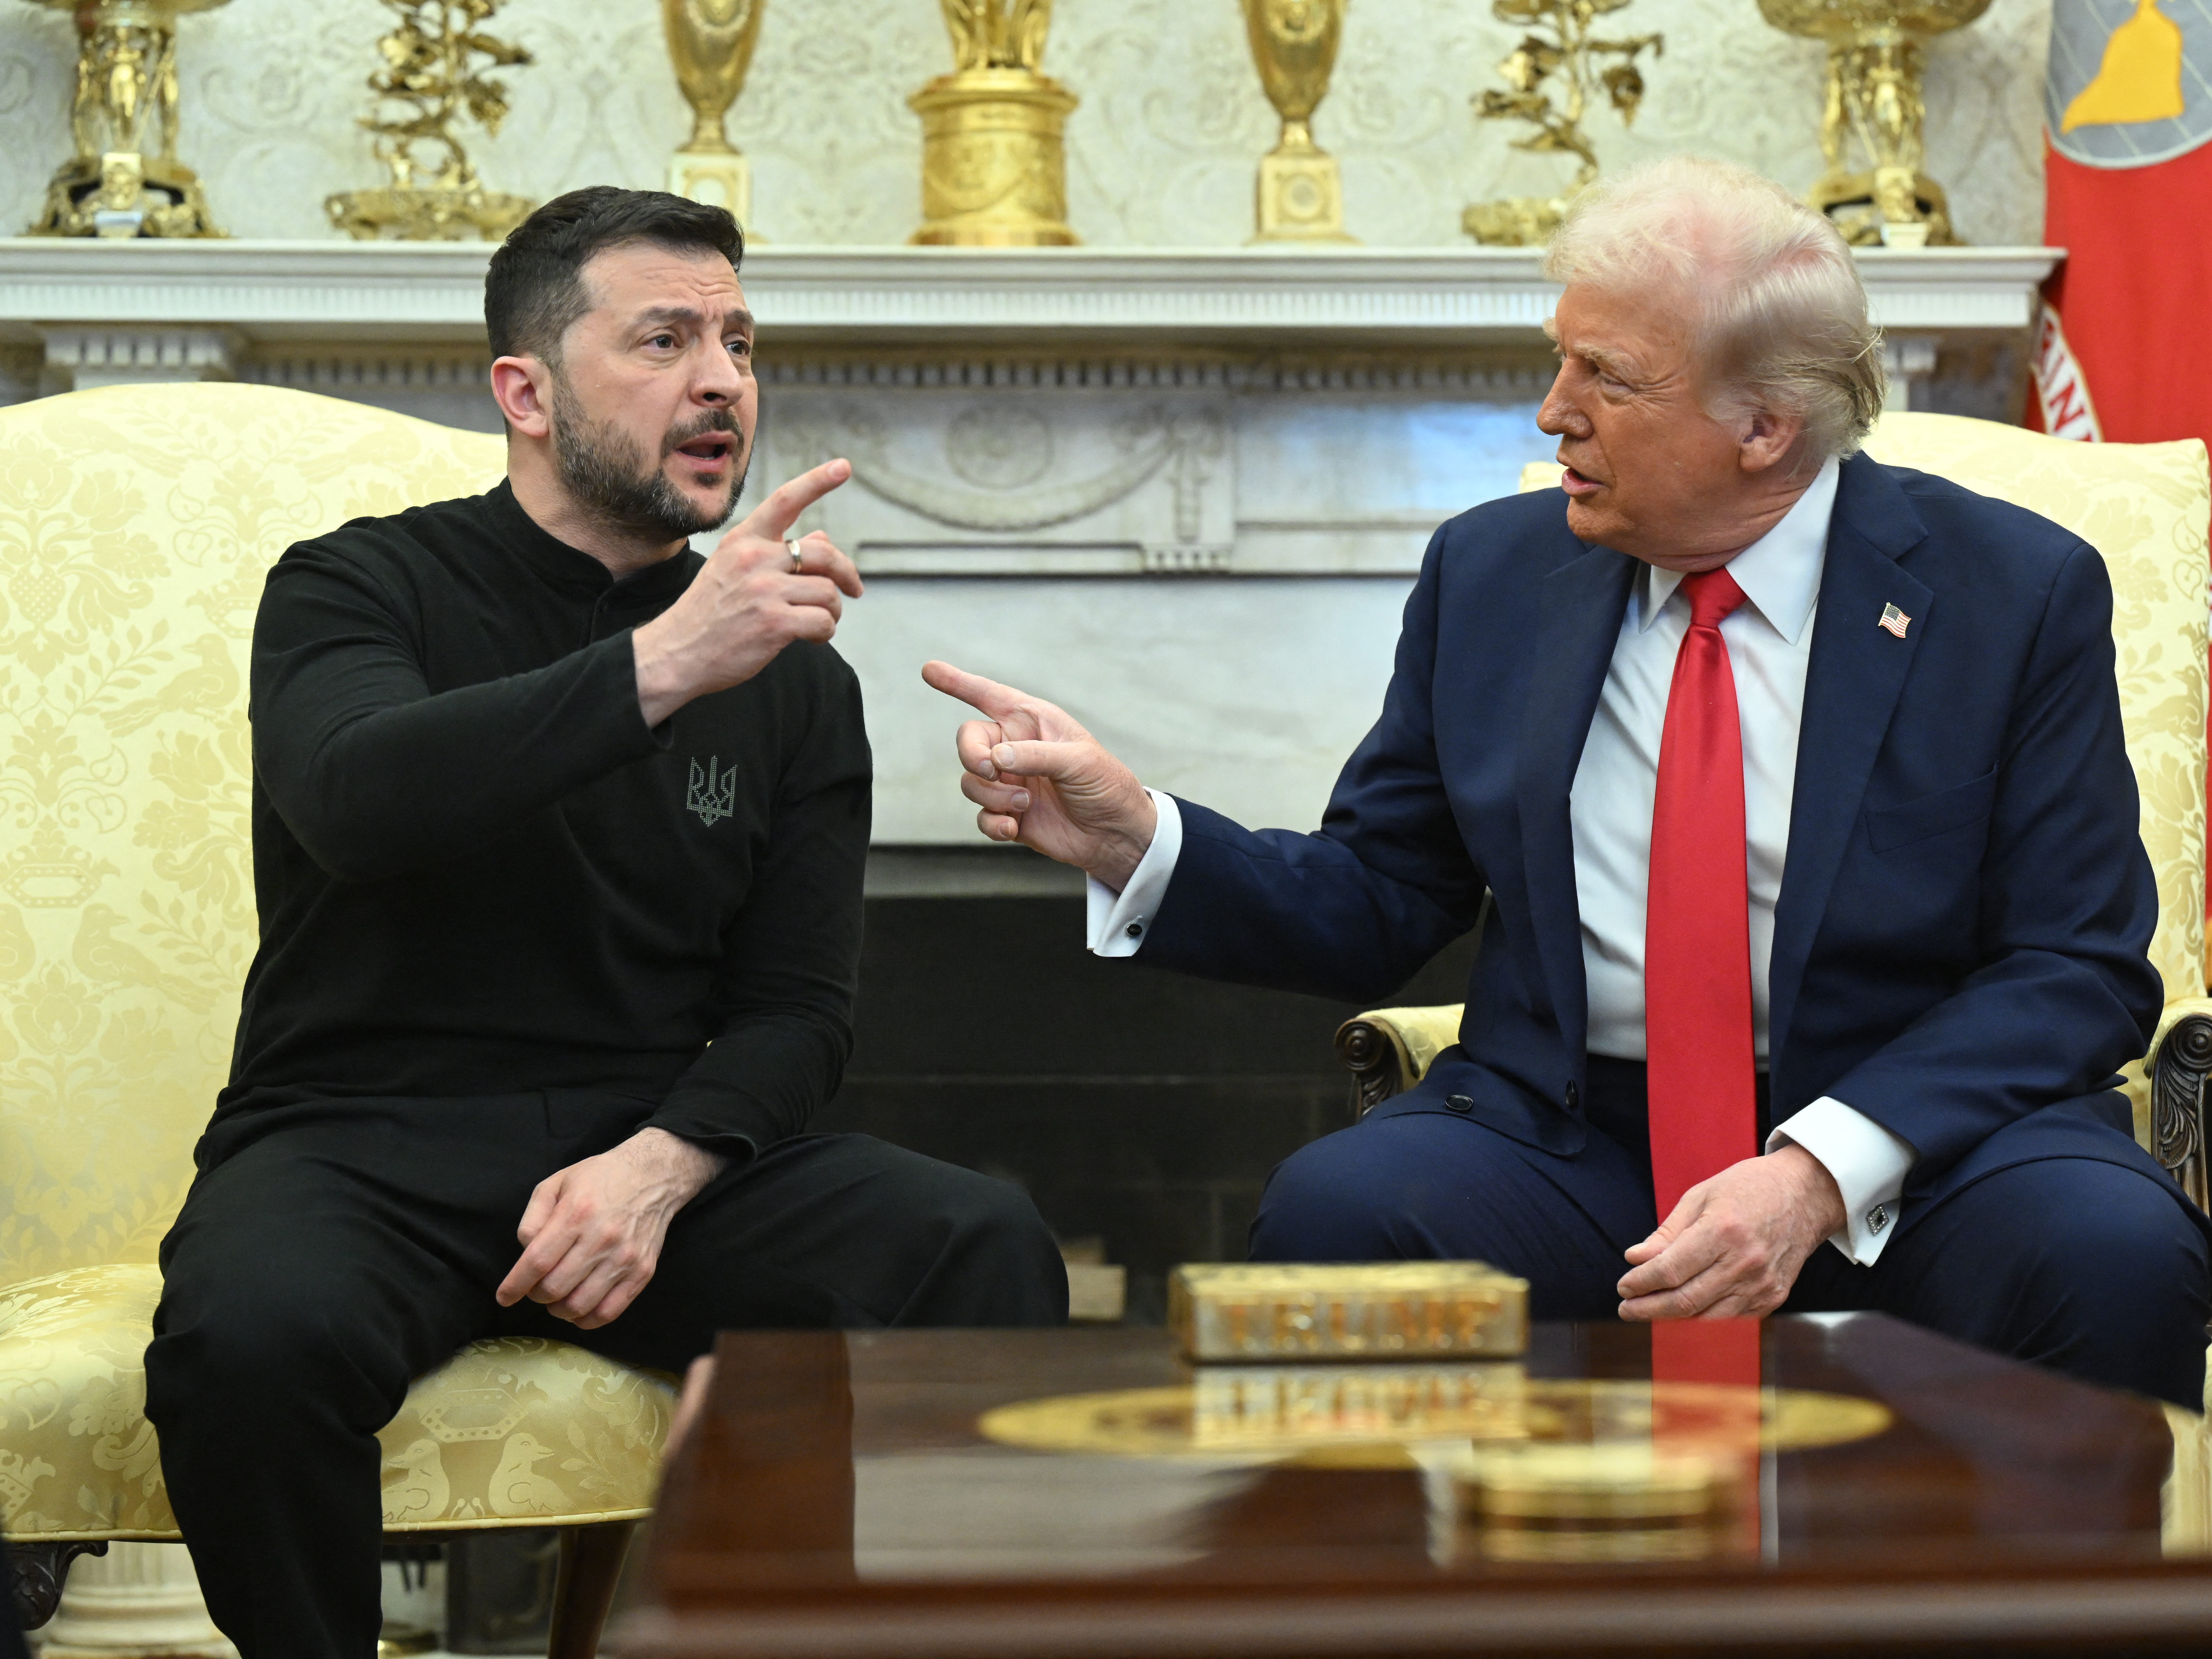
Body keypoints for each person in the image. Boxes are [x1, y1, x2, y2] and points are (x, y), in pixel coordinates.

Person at [924, 156, 2212, 1409]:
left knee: (2106, 1249)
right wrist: (1133, 836)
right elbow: (1382, 888)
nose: (1550, 413)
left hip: (1923, 1140)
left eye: (1606, 376)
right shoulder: (1490, 574)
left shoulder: (2010, 590)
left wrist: (1818, 1167)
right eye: (1560, 359)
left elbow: (2074, 965)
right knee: (1339, 1212)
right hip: (1576, 1134)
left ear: (1762, 425)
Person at [144, 186, 1066, 1659]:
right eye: (665, 338)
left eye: (739, 340)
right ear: (526, 389)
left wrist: (659, 1166)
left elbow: (795, 1013)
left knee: (977, 1237)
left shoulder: (792, 677)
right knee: (247, 1344)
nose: (722, 380)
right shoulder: (355, 583)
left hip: (648, 1155)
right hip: (361, 1138)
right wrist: (665, 660)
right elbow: (356, 797)